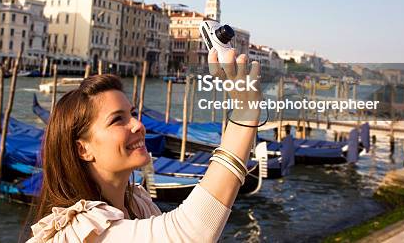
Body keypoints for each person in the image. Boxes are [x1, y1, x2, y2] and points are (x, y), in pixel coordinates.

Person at [22, 48, 263, 243]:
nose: (139, 125)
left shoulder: (139, 205)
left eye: (133, 113)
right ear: (83, 149)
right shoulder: (81, 233)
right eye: (118, 119)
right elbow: (189, 234)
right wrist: (244, 114)